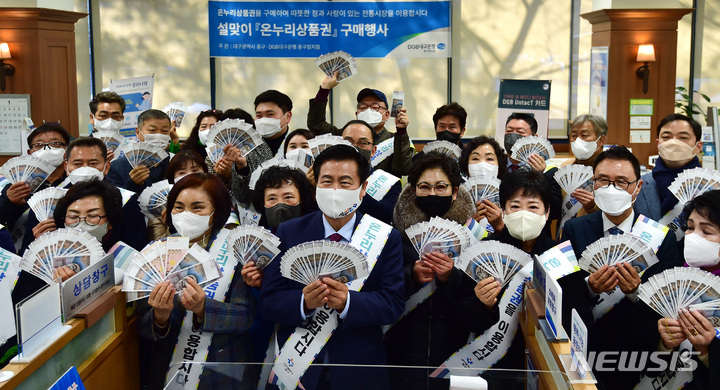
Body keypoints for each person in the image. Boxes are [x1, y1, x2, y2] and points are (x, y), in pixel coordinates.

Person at [259, 145, 404, 389]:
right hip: (297, 371)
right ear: (316, 186)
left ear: (362, 189)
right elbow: (268, 301)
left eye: (345, 182)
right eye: (327, 181)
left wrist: (348, 302)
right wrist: (303, 302)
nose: (335, 189)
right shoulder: (289, 231)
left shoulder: (386, 237)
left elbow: (393, 303)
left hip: (359, 370)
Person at [560, 146, 682, 389]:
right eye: (603, 180)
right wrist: (590, 287)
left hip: (635, 352)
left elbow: (672, 301)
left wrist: (637, 293)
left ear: (637, 187)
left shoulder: (661, 237)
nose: (611, 188)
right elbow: (561, 288)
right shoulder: (575, 228)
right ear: (593, 184)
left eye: (622, 182)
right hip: (586, 345)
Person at [137, 173, 255, 389]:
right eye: (179, 207)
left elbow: (245, 317)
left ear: (216, 212)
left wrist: (203, 309)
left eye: (197, 207)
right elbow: (141, 324)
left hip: (223, 369)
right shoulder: (157, 252)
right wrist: (159, 317)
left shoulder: (235, 251)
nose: (186, 215)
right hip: (170, 368)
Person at [1, 178, 126, 366]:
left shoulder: (119, 261)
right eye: (73, 216)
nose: (81, 223)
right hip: (31, 358)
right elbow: (17, 318)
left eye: (93, 216)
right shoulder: (39, 262)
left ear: (109, 223)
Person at [385, 151, 476, 389]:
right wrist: (411, 276)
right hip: (401, 355)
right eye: (424, 187)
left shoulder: (474, 238)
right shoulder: (394, 237)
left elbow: (478, 310)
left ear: (454, 192)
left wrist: (450, 278)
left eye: (441, 187)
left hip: (453, 354)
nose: (432, 193)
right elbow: (382, 293)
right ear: (414, 191)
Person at [22, 137, 148, 252]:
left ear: (107, 166)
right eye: (77, 164)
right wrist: (38, 243)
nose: (85, 168)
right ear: (66, 167)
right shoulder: (46, 203)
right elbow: (25, 254)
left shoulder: (125, 200)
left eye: (93, 163)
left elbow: (136, 248)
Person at [656, 190, 720, 388]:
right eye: (690, 228)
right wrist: (664, 345)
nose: (692, 237)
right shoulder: (668, 278)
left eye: (706, 232)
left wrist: (705, 351)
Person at [306, 72, 414, 177]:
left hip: (384, 194)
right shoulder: (342, 136)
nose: (368, 110)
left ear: (387, 115)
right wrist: (325, 89)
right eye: (363, 107)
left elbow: (403, 169)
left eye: (375, 107)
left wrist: (401, 131)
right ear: (357, 114)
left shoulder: (396, 140)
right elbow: (316, 125)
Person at [0, 123, 70, 248]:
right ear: (30, 152)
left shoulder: (76, 183)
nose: (46, 149)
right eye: (39, 145)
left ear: (67, 150)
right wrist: (10, 203)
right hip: (23, 254)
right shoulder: (16, 185)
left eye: (55, 144)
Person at [635, 113, 704, 222]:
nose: (674, 142)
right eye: (666, 137)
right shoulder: (637, 185)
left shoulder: (709, 186)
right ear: (658, 144)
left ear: (698, 146)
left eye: (683, 137)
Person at [341, 120, 402, 225]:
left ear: (373, 151)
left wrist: (356, 188)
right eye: (348, 142)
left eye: (363, 143)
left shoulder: (389, 183)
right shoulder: (325, 178)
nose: (355, 147)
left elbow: (387, 217)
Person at [106, 109, 173, 192]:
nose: (159, 135)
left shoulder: (175, 162)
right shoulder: (117, 167)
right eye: (152, 130)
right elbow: (114, 201)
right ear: (138, 132)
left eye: (164, 131)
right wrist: (133, 184)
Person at [560, 114, 609, 217]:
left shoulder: (610, 170)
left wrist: (592, 207)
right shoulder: (564, 167)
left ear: (601, 140)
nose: (578, 140)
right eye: (574, 136)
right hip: (565, 229)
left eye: (584, 135)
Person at [459, 135, 508, 232]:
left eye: (489, 159)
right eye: (475, 158)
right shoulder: (456, 198)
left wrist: (500, 226)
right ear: (467, 167)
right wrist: (469, 226)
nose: (482, 164)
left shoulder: (510, 197)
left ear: (499, 167)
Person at [254, 90, 294, 157]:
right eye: (259, 116)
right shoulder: (247, 147)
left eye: (270, 114)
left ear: (288, 116)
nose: (263, 120)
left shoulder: (300, 145)